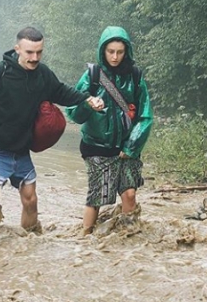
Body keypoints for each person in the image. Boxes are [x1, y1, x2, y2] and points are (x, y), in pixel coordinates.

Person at [0, 27, 98, 232]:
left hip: (21, 150)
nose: (35, 58)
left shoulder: (42, 74)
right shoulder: (0, 72)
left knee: (31, 201)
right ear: (17, 49)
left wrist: (86, 98)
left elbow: (61, 91)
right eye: (29, 52)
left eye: (39, 52)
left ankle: (29, 243)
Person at [65, 26, 153, 234]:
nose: (115, 57)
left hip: (127, 146)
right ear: (103, 51)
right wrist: (87, 103)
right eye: (110, 51)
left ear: (127, 51)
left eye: (120, 52)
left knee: (129, 194)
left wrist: (131, 146)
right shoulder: (92, 76)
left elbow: (145, 115)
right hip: (96, 146)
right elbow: (73, 113)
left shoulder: (135, 77)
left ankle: (129, 237)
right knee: (96, 197)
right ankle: (84, 239)